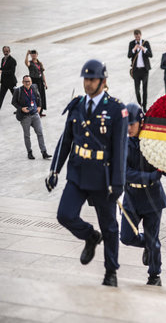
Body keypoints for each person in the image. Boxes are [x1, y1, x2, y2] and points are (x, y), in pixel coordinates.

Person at [45, 59, 128, 286]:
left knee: (110, 227)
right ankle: (90, 236)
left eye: (92, 80)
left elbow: (120, 149)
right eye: (86, 79)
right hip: (78, 171)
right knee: (65, 215)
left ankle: (111, 271)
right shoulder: (77, 106)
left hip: (103, 177)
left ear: (103, 81)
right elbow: (66, 140)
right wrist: (54, 170)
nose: (88, 84)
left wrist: (118, 183)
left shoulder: (116, 110)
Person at [120, 103, 166, 286]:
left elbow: (165, 166)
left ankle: (154, 275)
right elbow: (125, 172)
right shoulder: (123, 143)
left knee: (153, 239)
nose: (128, 128)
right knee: (126, 237)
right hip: (131, 196)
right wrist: (151, 176)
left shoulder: (153, 141)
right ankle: (147, 245)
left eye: (131, 124)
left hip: (152, 197)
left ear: (141, 122)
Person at [11, 76, 51, 160]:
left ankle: (44, 152)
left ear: (31, 81)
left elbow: (39, 97)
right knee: (27, 135)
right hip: (25, 117)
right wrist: (21, 108)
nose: (27, 83)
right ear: (22, 82)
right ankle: (29, 152)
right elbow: (13, 102)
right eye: (25, 81)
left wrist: (39, 106)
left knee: (40, 133)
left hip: (35, 115)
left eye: (29, 81)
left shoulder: (34, 87)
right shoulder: (18, 91)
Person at [128, 29, 152, 112]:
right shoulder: (131, 44)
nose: (137, 37)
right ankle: (139, 104)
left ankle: (144, 106)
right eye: (136, 36)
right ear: (134, 36)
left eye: (138, 36)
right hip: (136, 71)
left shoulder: (146, 43)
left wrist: (143, 48)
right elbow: (129, 55)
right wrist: (134, 49)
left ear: (141, 35)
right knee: (137, 89)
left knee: (145, 89)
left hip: (145, 70)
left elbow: (150, 55)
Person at [24, 49, 47, 116]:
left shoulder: (39, 63)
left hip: (40, 81)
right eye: (32, 54)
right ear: (31, 55)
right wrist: (27, 54)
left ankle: (40, 111)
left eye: (35, 54)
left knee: (41, 96)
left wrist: (45, 82)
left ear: (37, 55)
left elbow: (42, 73)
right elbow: (26, 63)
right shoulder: (30, 63)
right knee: (35, 96)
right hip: (33, 81)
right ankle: (35, 111)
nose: (34, 55)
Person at [0, 46, 17, 110]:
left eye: (7, 51)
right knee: (1, 97)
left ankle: (21, 109)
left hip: (11, 82)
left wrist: (2, 71)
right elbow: (2, 68)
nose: (5, 53)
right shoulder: (3, 59)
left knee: (15, 97)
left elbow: (12, 72)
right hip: (4, 82)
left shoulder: (13, 60)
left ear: (9, 51)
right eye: (4, 51)